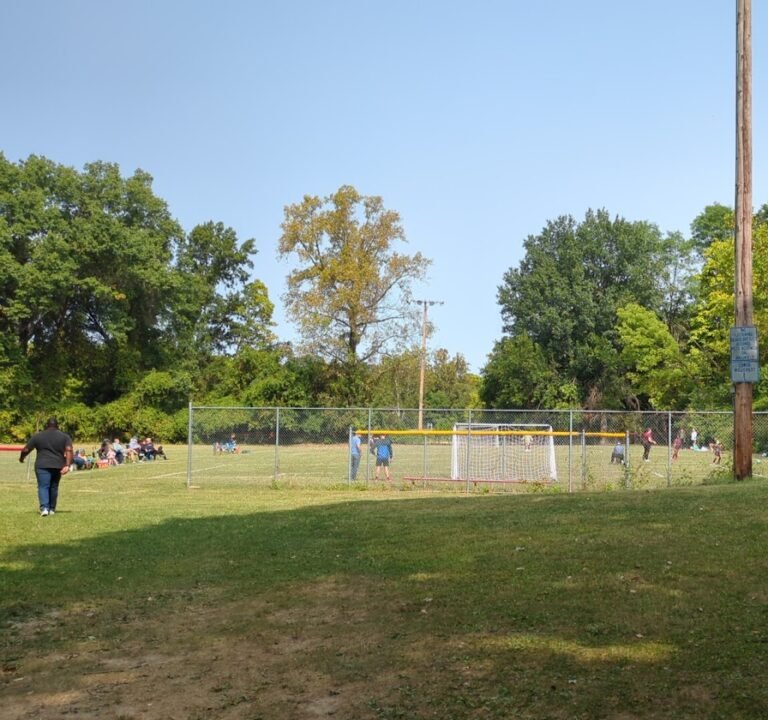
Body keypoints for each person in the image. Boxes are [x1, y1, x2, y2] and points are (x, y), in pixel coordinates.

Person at [19, 417, 74, 517]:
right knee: (54, 487)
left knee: (43, 486)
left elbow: (26, 449)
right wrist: (67, 465)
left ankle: (44, 508)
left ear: (46, 426)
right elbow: (69, 450)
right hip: (58, 465)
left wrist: (22, 458)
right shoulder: (65, 437)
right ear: (58, 426)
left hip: (42, 465)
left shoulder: (38, 436)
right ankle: (52, 509)